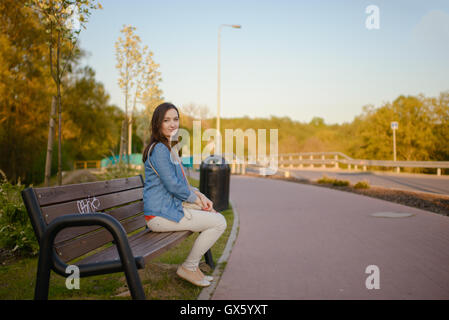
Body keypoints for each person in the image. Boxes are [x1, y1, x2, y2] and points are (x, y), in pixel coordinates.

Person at [142, 102, 227, 287]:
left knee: (212, 214)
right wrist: (196, 199)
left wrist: (200, 196)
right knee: (219, 222)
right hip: (159, 215)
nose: (172, 124)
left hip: (166, 208)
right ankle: (188, 267)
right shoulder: (159, 150)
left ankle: (193, 267)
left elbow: (182, 183)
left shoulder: (168, 148)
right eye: (166, 120)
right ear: (158, 123)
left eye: (175, 119)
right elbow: (173, 186)